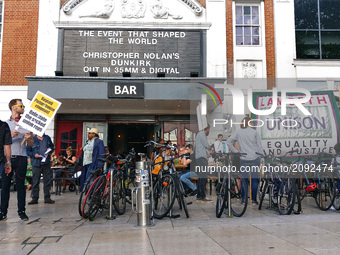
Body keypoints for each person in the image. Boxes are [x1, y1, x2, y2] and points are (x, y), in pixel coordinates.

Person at [1, 99, 33, 221]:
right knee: (5, 185)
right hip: (7, 158)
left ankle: (22, 211)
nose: (23, 107)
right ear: (14, 107)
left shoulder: (27, 124)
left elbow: (30, 144)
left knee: (21, 186)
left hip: (21, 158)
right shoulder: (4, 124)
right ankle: (2, 212)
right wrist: (10, 136)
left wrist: (29, 138)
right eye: (21, 105)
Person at [227, 116, 264, 205]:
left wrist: (236, 152)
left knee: (244, 180)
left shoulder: (238, 132)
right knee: (254, 180)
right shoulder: (255, 132)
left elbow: (228, 141)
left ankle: (244, 199)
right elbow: (259, 146)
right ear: (249, 123)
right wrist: (262, 158)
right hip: (255, 158)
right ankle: (254, 200)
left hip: (243, 159)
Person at [27, 134, 55, 204]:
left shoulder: (47, 138)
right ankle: (35, 198)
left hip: (46, 163)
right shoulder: (32, 139)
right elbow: (28, 151)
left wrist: (50, 149)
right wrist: (34, 155)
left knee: (47, 181)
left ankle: (47, 198)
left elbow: (52, 146)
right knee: (35, 181)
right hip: (36, 164)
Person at [194, 124, 212, 202]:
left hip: (198, 158)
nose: (209, 131)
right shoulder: (202, 134)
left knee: (200, 176)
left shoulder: (198, 135)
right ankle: (203, 196)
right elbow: (206, 145)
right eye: (209, 129)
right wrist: (211, 148)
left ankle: (199, 195)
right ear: (207, 128)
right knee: (203, 176)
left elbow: (195, 147)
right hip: (202, 159)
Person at [0, 119, 12, 221]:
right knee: (4, 187)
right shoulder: (3, 125)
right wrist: (8, 162)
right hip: (1, 160)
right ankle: (2, 212)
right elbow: (7, 146)